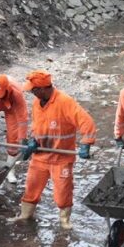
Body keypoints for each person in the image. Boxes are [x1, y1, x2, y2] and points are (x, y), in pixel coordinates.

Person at [13, 70, 97, 230]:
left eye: (33, 90)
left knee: (62, 193)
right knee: (31, 187)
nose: (31, 93)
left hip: (61, 158)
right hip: (40, 156)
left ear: (42, 89)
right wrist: (32, 142)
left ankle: (64, 221)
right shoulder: (37, 103)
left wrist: (86, 143)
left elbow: (87, 122)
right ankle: (25, 215)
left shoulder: (65, 102)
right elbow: (36, 126)